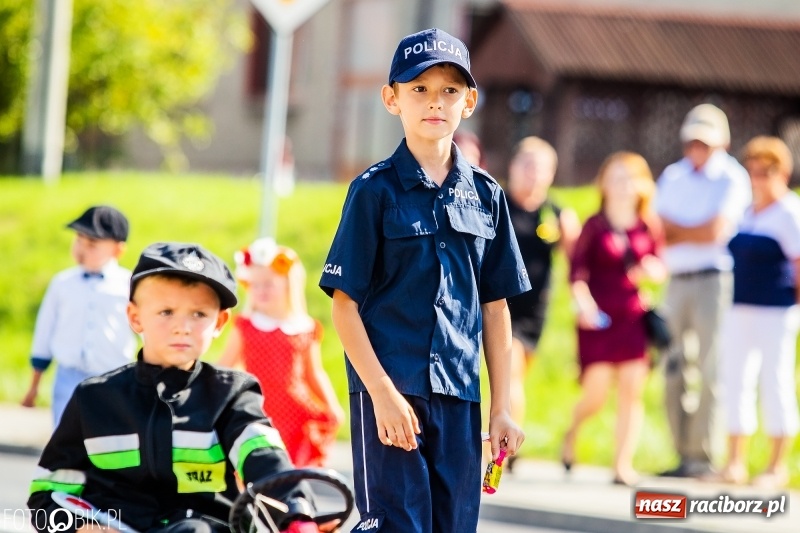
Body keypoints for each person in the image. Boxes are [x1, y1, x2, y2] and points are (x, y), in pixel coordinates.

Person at [319, 28, 530, 533]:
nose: (434, 102)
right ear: (392, 99)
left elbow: (495, 309)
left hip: (460, 398)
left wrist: (501, 408)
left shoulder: (487, 195)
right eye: (419, 89)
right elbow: (343, 305)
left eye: (449, 91)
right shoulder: (373, 191)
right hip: (392, 395)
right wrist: (381, 394)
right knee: (396, 527)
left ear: (469, 102)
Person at [27, 242, 333, 533]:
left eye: (199, 314)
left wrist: (298, 513)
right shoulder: (94, 398)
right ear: (134, 317)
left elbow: (265, 459)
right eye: (166, 312)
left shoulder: (231, 395)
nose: (182, 326)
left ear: (220, 323)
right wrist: (79, 527)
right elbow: (47, 494)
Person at [654, 103, 752, 478]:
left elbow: (716, 232)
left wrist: (680, 231)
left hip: (714, 280)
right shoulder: (674, 176)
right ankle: (682, 454)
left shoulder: (731, 177)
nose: (697, 147)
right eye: (692, 140)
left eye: (704, 141)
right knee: (674, 365)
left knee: (711, 368)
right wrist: (690, 230)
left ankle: (703, 456)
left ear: (721, 142)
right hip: (677, 281)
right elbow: (659, 228)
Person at [563, 152, 667, 486]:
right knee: (595, 394)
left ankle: (622, 465)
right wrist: (585, 306)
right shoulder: (594, 225)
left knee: (631, 392)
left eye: (630, 178)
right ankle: (572, 432)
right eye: (616, 177)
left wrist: (653, 272)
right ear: (604, 183)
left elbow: (659, 265)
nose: (624, 185)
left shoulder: (649, 224)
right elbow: (576, 273)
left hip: (633, 318)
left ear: (642, 186)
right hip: (599, 320)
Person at [717, 136, 800, 488]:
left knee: (775, 382)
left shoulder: (789, 212)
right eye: (753, 171)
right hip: (740, 308)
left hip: (776, 311)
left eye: (766, 172)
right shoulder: (748, 212)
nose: (759, 179)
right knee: (736, 381)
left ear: (782, 173)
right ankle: (735, 461)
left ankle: (775, 465)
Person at [218, 238, 345, 467]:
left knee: (290, 469)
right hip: (259, 407)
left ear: (288, 284)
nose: (260, 290)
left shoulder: (304, 328)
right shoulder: (246, 325)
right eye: (254, 285)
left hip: (295, 413)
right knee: (254, 466)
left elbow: (314, 373)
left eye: (268, 283)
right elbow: (226, 366)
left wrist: (332, 405)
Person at [21, 205, 136, 426]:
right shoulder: (62, 283)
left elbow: (146, 331)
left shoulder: (129, 285)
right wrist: (33, 387)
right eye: (78, 240)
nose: (82, 249)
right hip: (68, 378)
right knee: (65, 441)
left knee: (107, 444)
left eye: (92, 244)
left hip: (113, 378)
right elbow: (44, 333)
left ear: (118, 250)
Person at [505, 137, 581, 471]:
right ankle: (505, 448)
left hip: (534, 311)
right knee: (511, 374)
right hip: (498, 307)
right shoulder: (497, 204)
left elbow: (577, 264)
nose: (533, 174)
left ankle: (507, 444)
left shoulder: (556, 214)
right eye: (527, 165)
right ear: (513, 168)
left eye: (542, 168)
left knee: (516, 376)